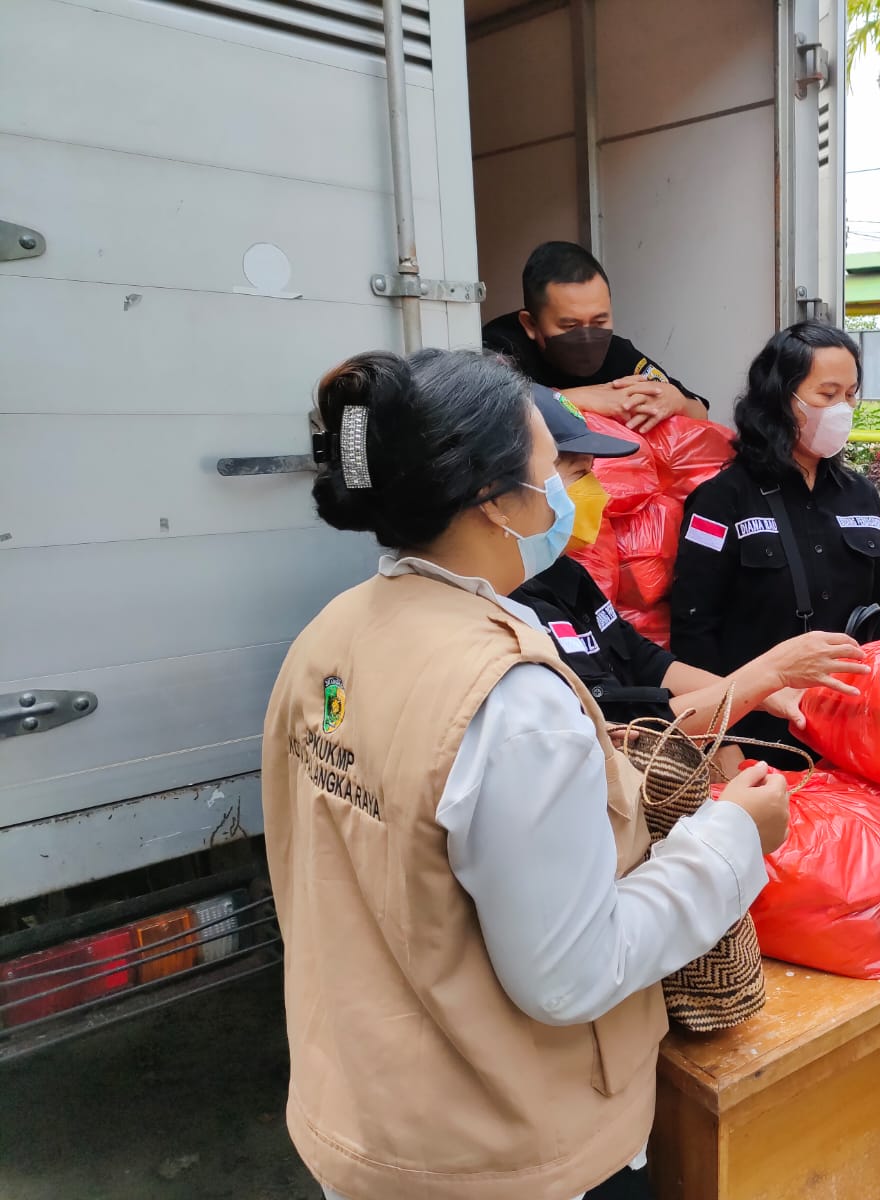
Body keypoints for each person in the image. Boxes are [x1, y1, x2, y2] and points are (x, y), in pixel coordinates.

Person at [262, 347, 789, 1200]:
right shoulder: (512, 701)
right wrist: (735, 839)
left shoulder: (334, 632)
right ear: (495, 501)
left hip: (367, 1115)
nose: (575, 495)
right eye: (556, 471)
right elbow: (572, 974)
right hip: (503, 1151)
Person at [510, 385, 868, 742]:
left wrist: (765, 692)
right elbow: (610, 721)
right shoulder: (508, 606)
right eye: (577, 474)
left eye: (593, 473)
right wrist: (766, 676)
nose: (598, 494)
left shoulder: (562, 572)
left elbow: (641, 659)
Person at [671, 321, 880, 767]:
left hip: (849, 732)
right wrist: (722, 742)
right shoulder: (722, 499)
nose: (843, 409)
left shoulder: (861, 495)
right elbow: (694, 631)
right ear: (781, 398)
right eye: (827, 394)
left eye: (851, 394)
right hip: (758, 744)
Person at [483, 240, 707, 432]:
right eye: (570, 325)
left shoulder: (617, 353)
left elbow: (701, 411)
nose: (588, 336)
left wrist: (677, 401)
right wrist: (576, 400)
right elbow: (486, 415)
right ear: (531, 324)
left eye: (600, 321)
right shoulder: (499, 346)